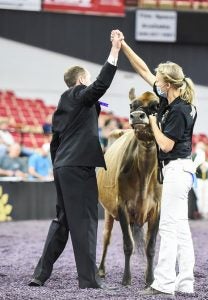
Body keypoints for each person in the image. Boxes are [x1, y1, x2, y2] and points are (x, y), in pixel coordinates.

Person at [28, 32, 122, 289]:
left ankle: (40, 274)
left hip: (63, 166)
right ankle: (89, 281)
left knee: (63, 222)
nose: (89, 83)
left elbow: (54, 142)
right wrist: (114, 52)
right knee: (86, 223)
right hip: (78, 167)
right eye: (87, 80)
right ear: (80, 80)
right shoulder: (78, 93)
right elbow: (100, 85)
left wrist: (59, 166)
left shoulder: (63, 106)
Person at [114, 30, 196, 296]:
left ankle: (163, 284)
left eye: (159, 79)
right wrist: (124, 45)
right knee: (181, 229)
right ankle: (185, 282)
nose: (156, 81)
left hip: (175, 169)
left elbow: (166, 145)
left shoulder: (179, 110)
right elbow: (141, 69)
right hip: (180, 170)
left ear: (168, 84)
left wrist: (151, 122)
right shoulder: (171, 101)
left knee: (169, 229)